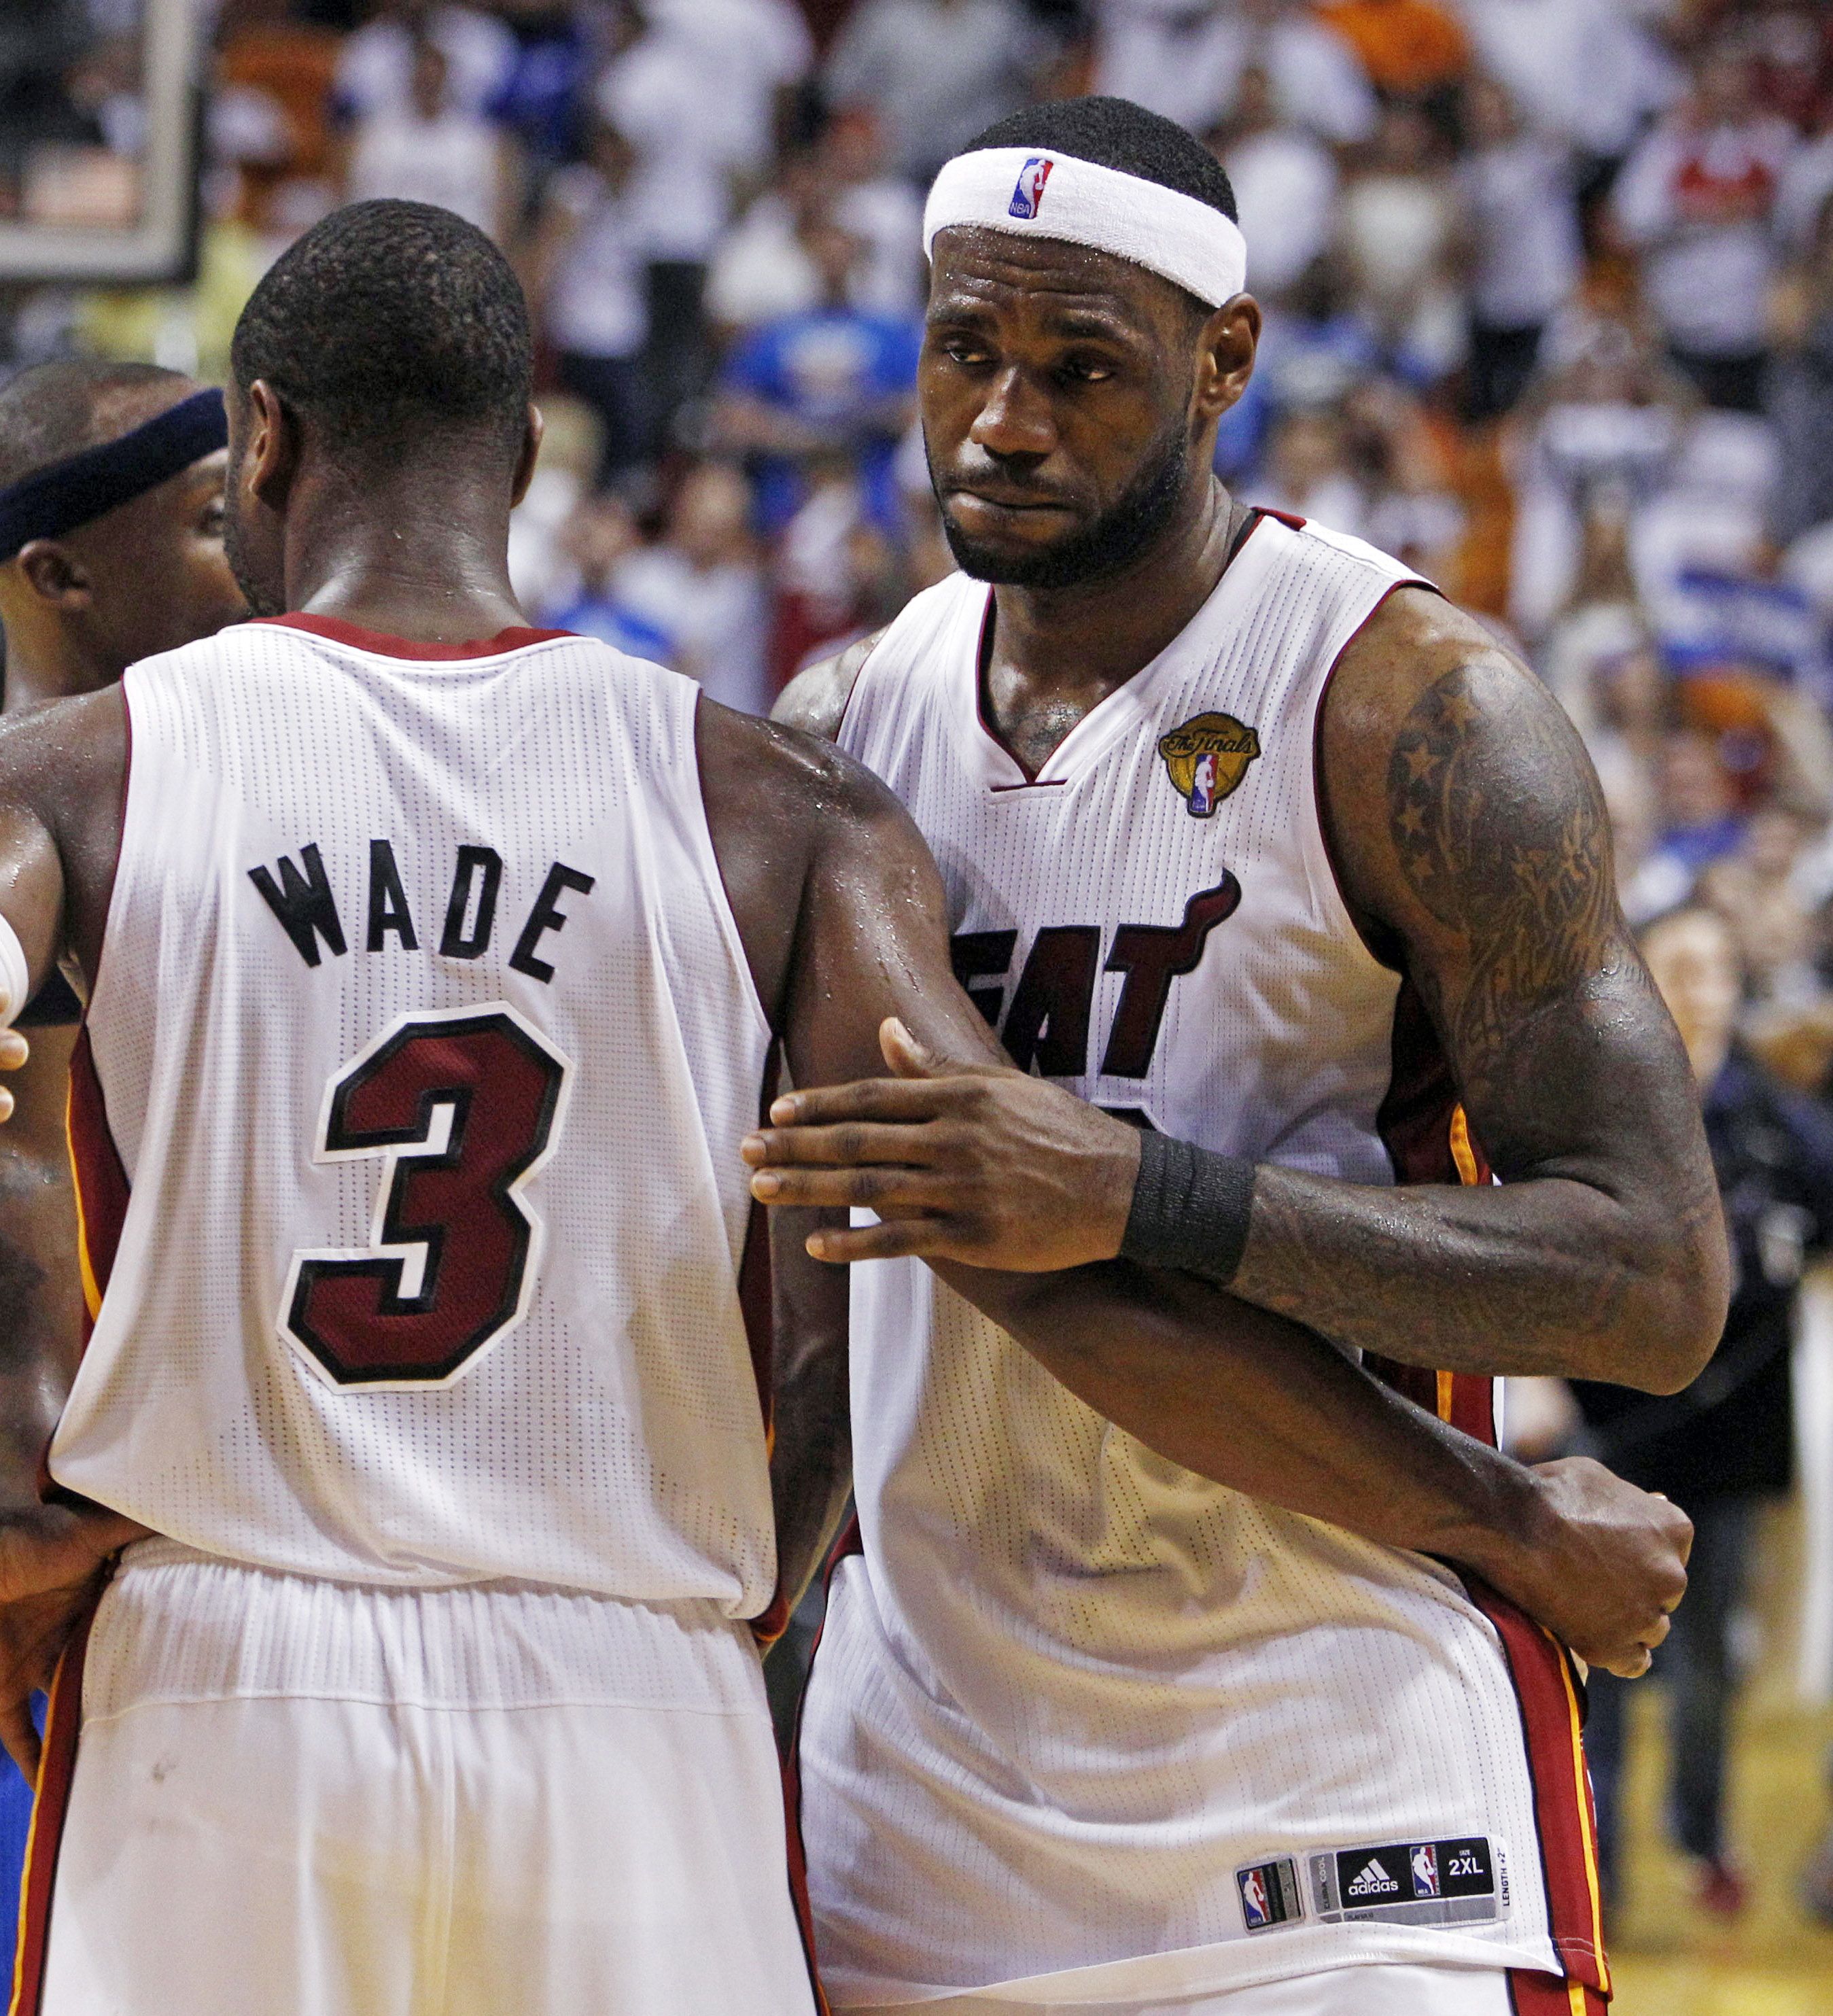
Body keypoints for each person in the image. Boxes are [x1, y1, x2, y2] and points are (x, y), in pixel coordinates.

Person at [0, 196, 1690, 2016]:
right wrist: (1500, 1518)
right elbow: (1019, 1263)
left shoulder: (78, 773)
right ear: (529, 456)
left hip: (226, 1670)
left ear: (265, 437)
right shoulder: (779, 796)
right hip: (634, 1698)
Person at [753, 95, 1727, 2016]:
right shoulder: (844, 720)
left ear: (1226, 358)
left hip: (1337, 1769)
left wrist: (1150, 1195)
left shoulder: (1408, 704)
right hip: (920, 1801)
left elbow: (1655, 1277)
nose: (1002, 421)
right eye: (965, 352)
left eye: (1080, 368)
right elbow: (806, 1306)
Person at [0, 357, 245, 1964]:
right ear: (62, 573)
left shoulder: (246, 778)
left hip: (181, 1585)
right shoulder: (38, 806)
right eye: (221, 519)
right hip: (50, 1586)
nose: (272, 553)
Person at [1571, 905, 1833, 1919]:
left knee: (1711, 1662)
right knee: (1611, 1657)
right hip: (1614, 1431)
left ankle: (1700, 1835)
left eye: (1720, 970)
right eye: (1682, 967)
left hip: (1733, 1438)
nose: (1705, 989)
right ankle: (1601, 1864)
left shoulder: (1774, 1118)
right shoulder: (1601, 1109)